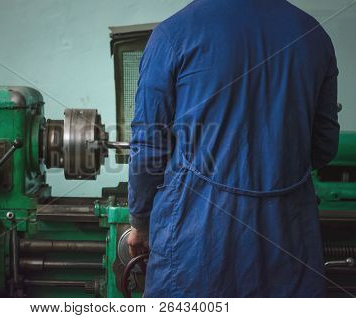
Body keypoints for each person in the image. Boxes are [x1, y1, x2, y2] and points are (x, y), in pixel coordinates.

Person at [127, 0, 340, 297]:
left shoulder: (173, 34)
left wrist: (140, 221)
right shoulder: (314, 35)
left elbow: (148, 146)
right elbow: (324, 146)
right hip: (288, 240)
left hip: (197, 243)